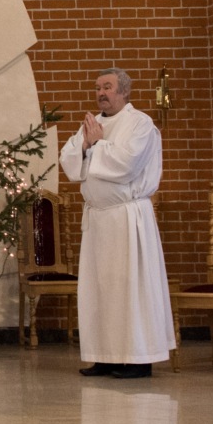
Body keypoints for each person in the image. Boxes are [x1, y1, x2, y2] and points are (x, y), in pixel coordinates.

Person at [58, 68, 176, 378]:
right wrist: (85, 146)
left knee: (130, 287)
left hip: (127, 218)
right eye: (98, 87)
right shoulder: (92, 125)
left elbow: (127, 165)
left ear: (124, 91)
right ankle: (105, 356)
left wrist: (97, 145)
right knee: (100, 289)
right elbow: (68, 159)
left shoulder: (140, 124)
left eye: (107, 87)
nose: (101, 93)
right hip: (98, 220)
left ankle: (138, 359)